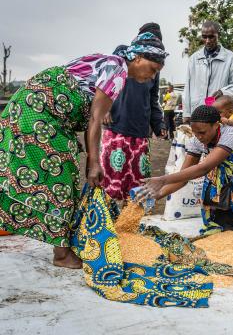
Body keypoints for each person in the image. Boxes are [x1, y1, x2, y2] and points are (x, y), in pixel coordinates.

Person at [0, 25, 166, 269]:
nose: (152, 77)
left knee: (52, 170)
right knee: (62, 177)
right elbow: (95, 119)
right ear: (138, 58)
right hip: (39, 112)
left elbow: (90, 115)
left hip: (35, 109)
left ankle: (60, 245)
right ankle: (62, 255)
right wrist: (94, 163)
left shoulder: (112, 63)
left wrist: (91, 157)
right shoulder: (118, 69)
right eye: (152, 69)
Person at [137, 105, 233, 239]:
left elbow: (203, 168)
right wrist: (157, 194)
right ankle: (225, 218)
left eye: (202, 132)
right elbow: (184, 176)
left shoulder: (230, 134)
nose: (198, 137)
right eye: (195, 132)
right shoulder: (197, 140)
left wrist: (162, 180)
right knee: (214, 189)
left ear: (216, 125)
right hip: (229, 175)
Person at [101, 23, 167, 201]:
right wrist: (105, 109)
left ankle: (129, 221)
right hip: (116, 124)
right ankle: (107, 219)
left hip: (140, 128)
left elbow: (153, 100)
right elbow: (107, 82)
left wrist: (158, 124)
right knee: (111, 177)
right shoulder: (122, 54)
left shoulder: (153, 67)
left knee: (137, 179)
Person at [182, 21, 233, 123]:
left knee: (218, 137)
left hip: (219, 114)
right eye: (204, 37)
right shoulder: (194, 59)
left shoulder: (230, 58)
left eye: (211, 37)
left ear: (218, 35)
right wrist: (187, 113)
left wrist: (222, 92)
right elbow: (187, 88)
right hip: (197, 112)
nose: (207, 41)